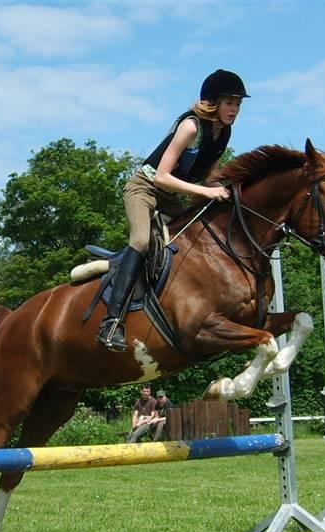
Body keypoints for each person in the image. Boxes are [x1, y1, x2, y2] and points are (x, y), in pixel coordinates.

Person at [96, 69, 250, 352]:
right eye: (230, 102)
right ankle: (111, 322)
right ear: (213, 102)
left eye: (238, 104)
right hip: (145, 188)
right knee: (142, 241)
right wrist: (206, 192)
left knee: (193, 239)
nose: (235, 109)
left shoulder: (223, 133)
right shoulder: (191, 126)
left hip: (172, 196)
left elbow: (208, 176)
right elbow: (162, 177)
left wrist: (234, 189)